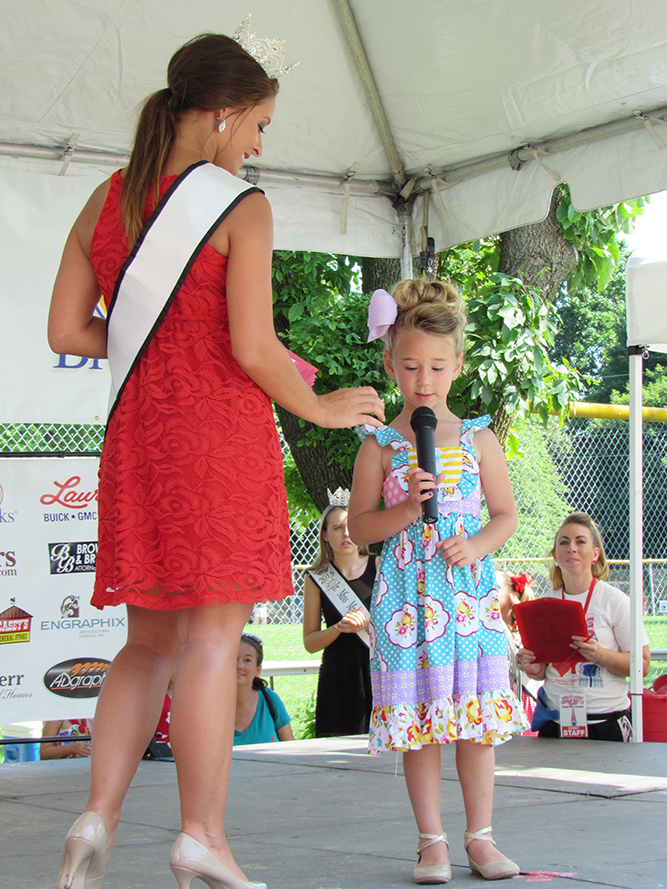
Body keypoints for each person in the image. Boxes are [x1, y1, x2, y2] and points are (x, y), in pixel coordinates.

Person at [47, 31, 384, 889]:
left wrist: (152, 356)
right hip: (217, 441)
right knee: (211, 639)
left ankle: (98, 815)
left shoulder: (108, 198)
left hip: (138, 440)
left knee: (144, 643)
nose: (259, 145)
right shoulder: (239, 205)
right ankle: (201, 834)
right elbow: (252, 346)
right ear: (225, 112)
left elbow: (66, 332)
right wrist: (322, 404)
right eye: (259, 125)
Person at [348, 280, 528, 884]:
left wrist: (475, 543)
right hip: (407, 600)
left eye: (437, 367)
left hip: (466, 598)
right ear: (389, 362)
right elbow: (360, 527)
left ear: (458, 366)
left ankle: (482, 837)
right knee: (420, 722)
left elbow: (505, 513)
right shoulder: (380, 442)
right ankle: (432, 843)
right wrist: (405, 511)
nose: (423, 380)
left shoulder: (480, 437)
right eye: (410, 366)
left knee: (474, 724)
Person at [517, 512, 651, 741]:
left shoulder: (616, 601)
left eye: (580, 541)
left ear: (595, 554)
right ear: (555, 555)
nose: (572, 548)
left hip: (605, 722)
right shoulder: (544, 603)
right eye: (564, 542)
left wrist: (601, 655)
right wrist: (530, 666)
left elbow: (643, 665)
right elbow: (543, 672)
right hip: (556, 722)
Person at [302, 500, 377, 736]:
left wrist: (368, 624)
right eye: (337, 528)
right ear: (324, 534)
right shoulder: (316, 578)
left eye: (350, 527)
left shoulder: (380, 565)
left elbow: (401, 624)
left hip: (378, 667)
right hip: (339, 674)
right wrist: (338, 628)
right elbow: (310, 643)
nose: (346, 534)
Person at [234, 634, 294, 745]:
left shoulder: (270, 699)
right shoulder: (212, 705)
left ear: (258, 669)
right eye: (234, 658)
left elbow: (292, 750)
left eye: (247, 660)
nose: (239, 666)